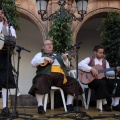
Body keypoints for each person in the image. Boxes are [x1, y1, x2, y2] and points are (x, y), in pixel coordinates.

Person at [29, 39, 83, 114]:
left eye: (51, 44)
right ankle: (40, 106)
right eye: (47, 44)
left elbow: (67, 66)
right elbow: (32, 63)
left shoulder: (58, 55)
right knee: (39, 80)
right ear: (43, 47)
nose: (49, 45)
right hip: (46, 77)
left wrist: (65, 59)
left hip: (60, 78)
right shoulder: (40, 54)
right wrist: (44, 58)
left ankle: (69, 104)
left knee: (73, 82)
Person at [78, 45, 120, 112]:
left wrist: (116, 71)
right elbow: (80, 64)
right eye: (100, 53)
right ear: (95, 52)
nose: (102, 54)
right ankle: (105, 103)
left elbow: (107, 73)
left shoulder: (105, 62)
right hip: (91, 81)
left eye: (102, 53)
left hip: (102, 79)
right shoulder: (90, 59)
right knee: (102, 83)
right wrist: (91, 69)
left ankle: (116, 103)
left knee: (117, 81)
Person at [0, 7, 17, 116]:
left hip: (4, 56)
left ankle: (5, 107)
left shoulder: (9, 26)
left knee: (5, 81)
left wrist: (6, 25)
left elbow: (13, 38)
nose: (0, 14)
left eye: (1, 12)